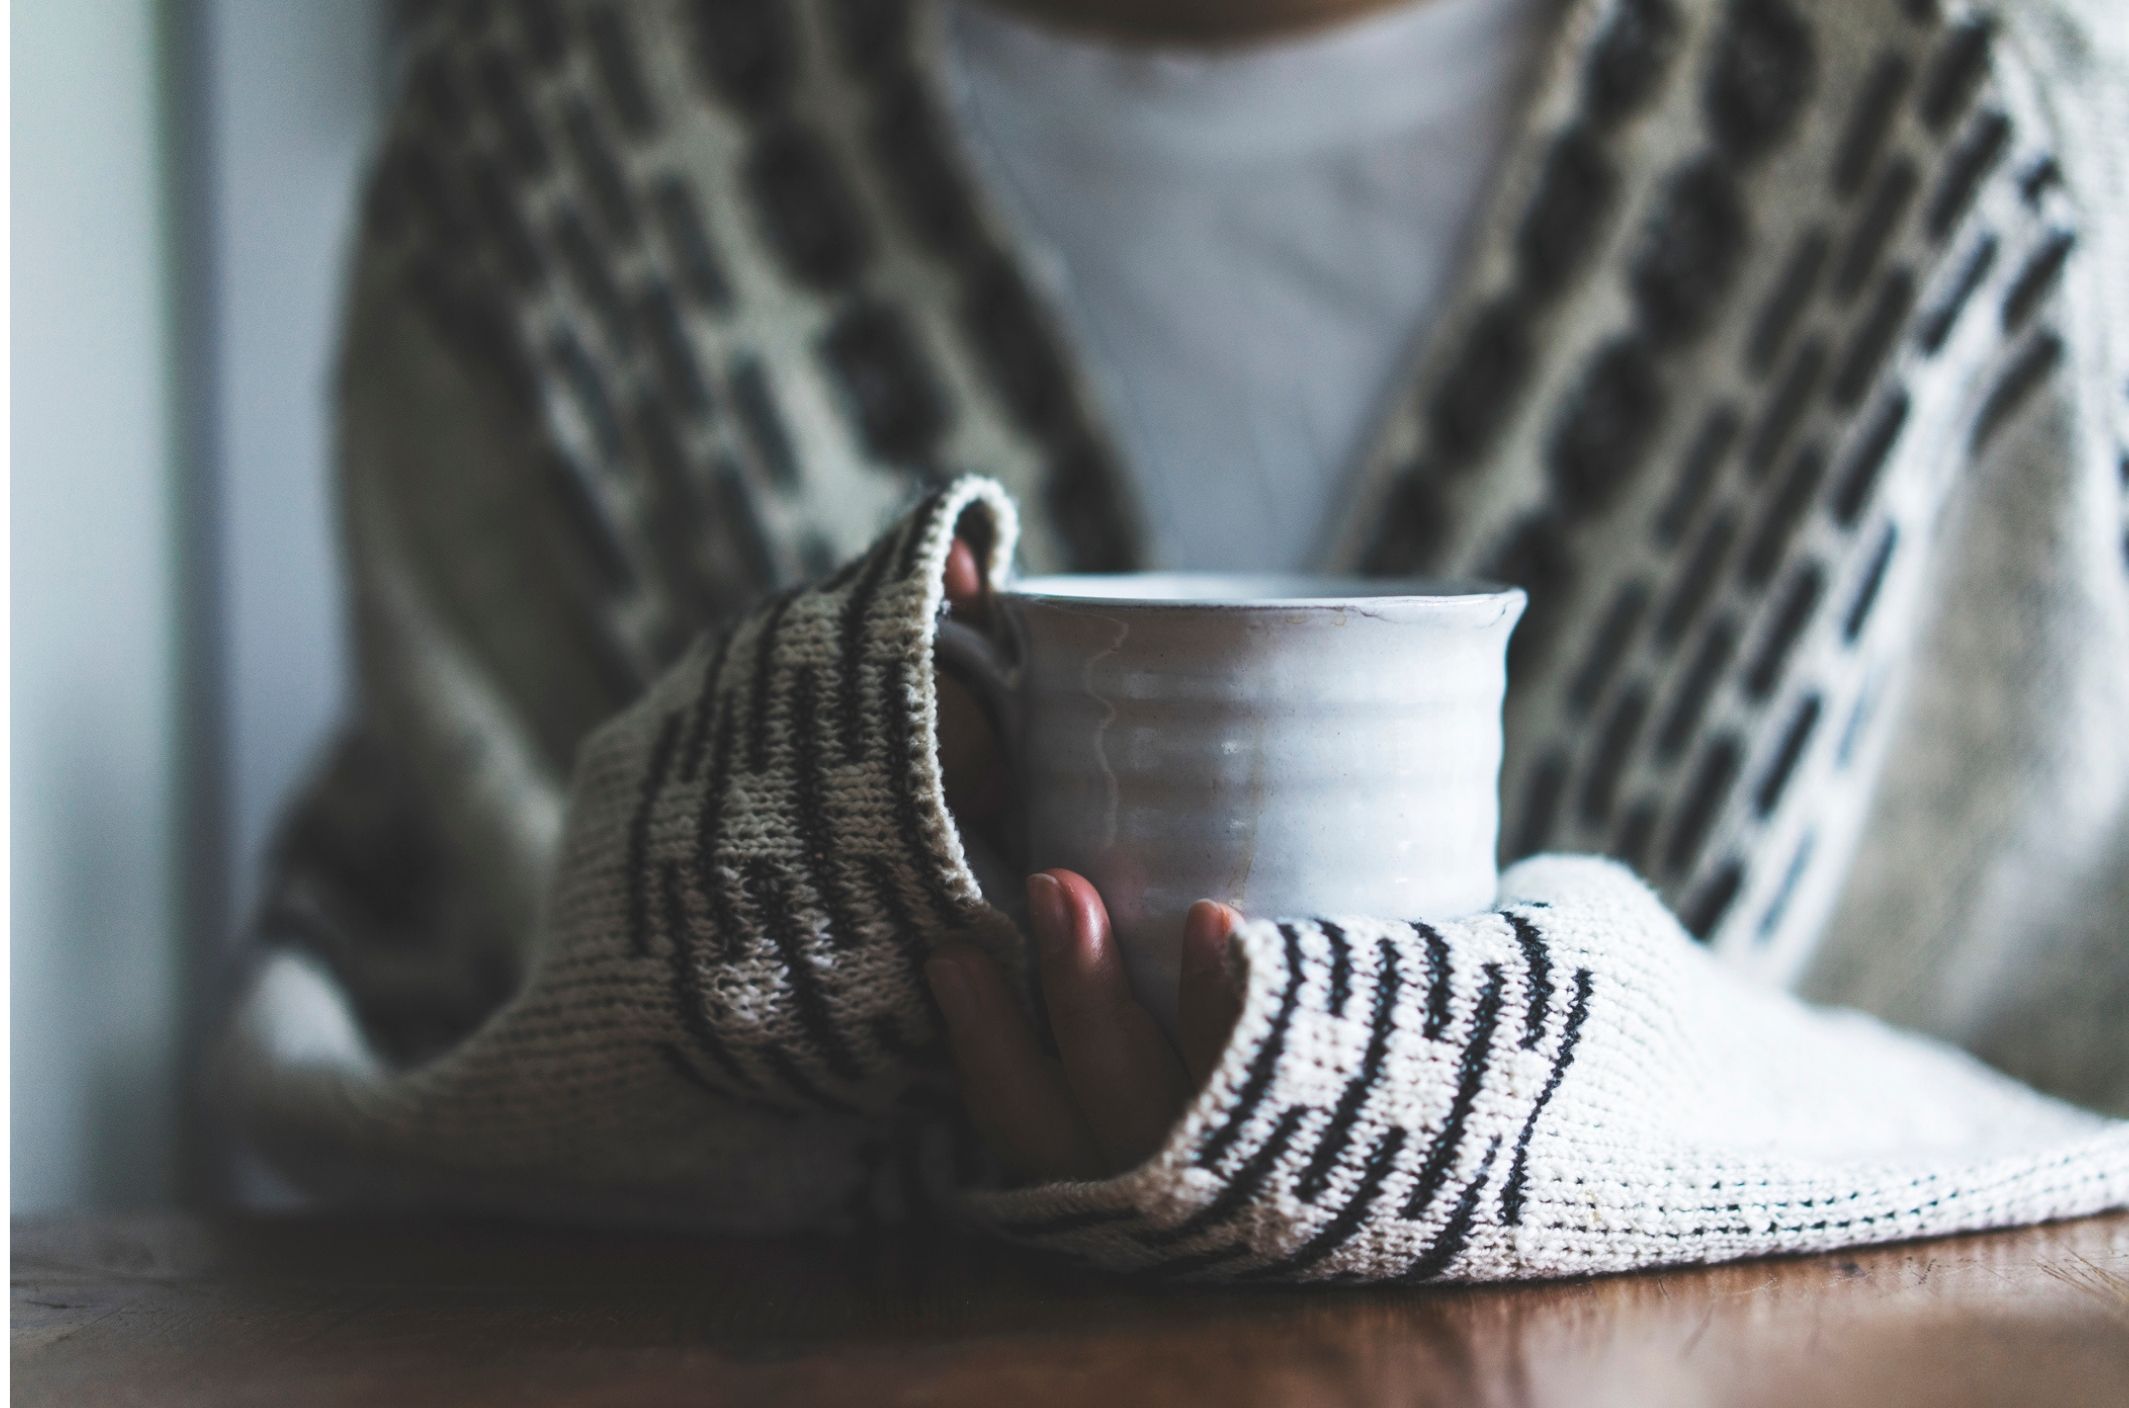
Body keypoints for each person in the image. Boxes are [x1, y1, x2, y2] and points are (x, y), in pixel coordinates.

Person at [221, 0, 2129, 1281]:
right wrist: (757, 902)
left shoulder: (1967, 138)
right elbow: (413, 1068)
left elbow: (2072, 1113)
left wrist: (1524, 1112)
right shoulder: (558, 130)